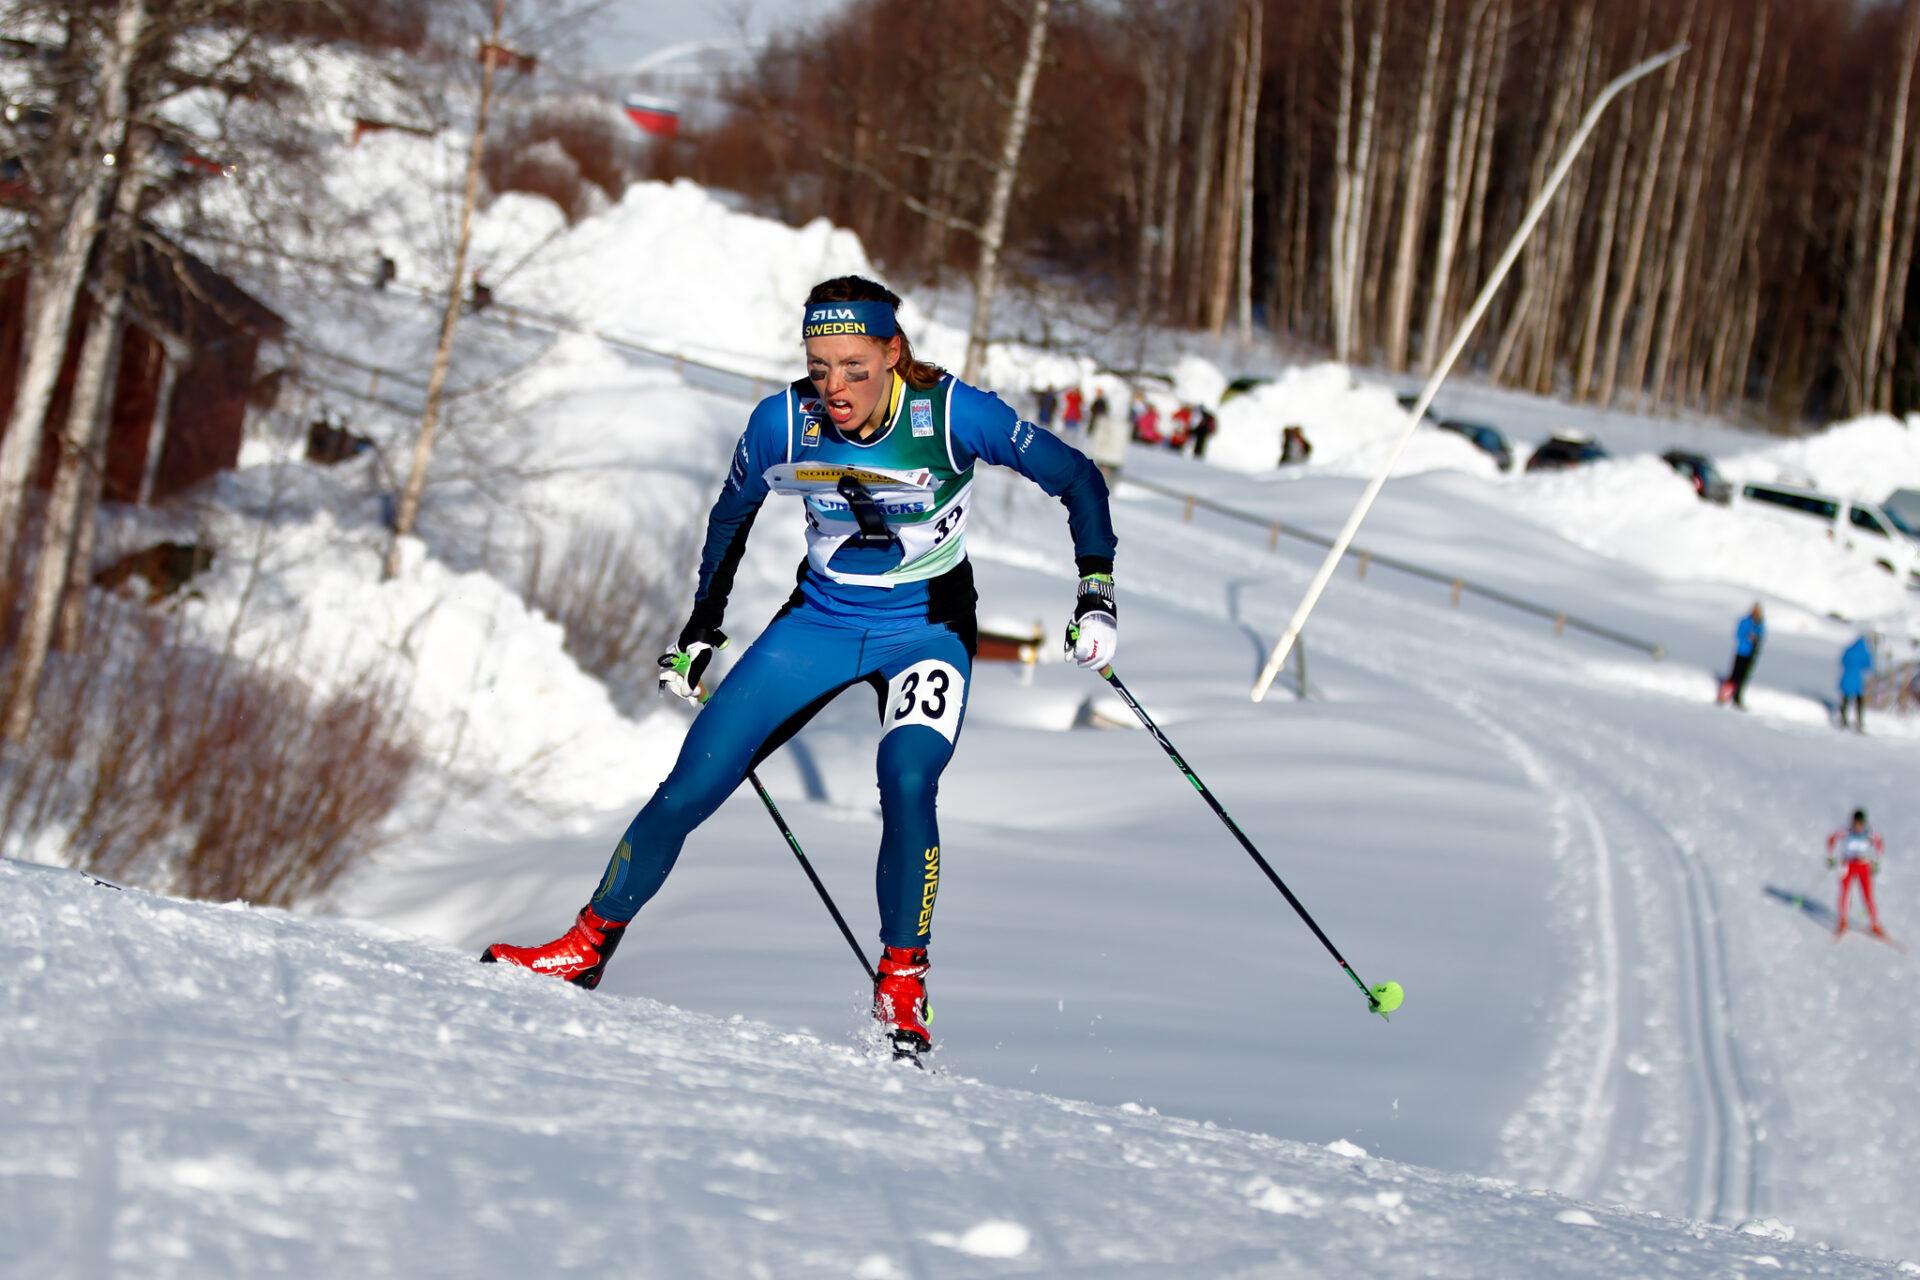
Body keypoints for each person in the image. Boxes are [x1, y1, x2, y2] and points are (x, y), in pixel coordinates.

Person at [482, 276, 1119, 1060]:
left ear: (893, 352)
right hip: (817, 623)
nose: (836, 388)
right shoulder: (783, 422)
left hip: (925, 629)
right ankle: (586, 946)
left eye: (854, 366)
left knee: (908, 778)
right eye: (819, 367)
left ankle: (902, 980)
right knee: (689, 784)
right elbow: (731, 514)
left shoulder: (957, 416)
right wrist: (701, 630)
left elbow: (1078, 479)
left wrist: (1095, 592)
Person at [1826, 808, 1886, 938]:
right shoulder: (1846, 831)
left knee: (1868, 896)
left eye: (1861, 823)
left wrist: (1877, 861)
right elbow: (1831, 839)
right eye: (1856, 823)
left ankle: (1875, 924)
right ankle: (1843, 922)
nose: (1858, 826)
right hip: (1847, 865)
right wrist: (1830, 857)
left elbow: (1880, 843)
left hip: (1863, 865)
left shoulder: (1870, 832)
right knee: (1845, 893)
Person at [1718, 602, 1765, 709]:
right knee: (1734, 675)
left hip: (1752, 654)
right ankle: (1724, 696)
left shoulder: (1759, 624)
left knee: (1743, 677)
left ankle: (1737, 697)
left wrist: (1756, 638)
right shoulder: (1745, 621)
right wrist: (1748, 637)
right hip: (1742, 651)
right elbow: (1738, 634)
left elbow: (1762, 636)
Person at [1838, 633, 1873, 732]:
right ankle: (1859, 721)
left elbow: (1842, 660)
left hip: (1846, 677)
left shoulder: (1849, 650)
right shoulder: (1865, 652)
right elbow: (1869, 666)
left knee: (1845, 699)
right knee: (1859, 700)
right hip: (1857, 680)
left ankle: (1843, 719)